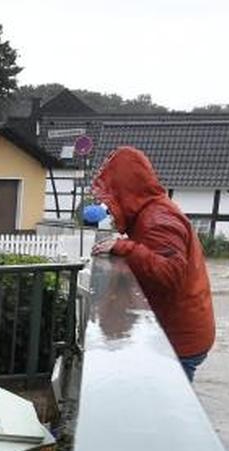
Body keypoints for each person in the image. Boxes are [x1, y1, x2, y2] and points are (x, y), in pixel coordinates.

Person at [88, 146, 215, 382]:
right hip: (183, 332)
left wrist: (124, 247)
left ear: (125, 191)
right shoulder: (151, 212)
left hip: (179, 341)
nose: (110, 207)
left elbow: (169, 274)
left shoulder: (158, 220)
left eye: (112, 196)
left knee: (171, 411)